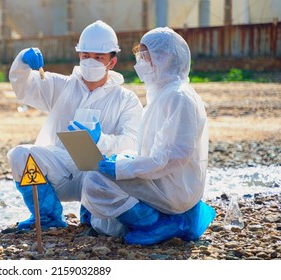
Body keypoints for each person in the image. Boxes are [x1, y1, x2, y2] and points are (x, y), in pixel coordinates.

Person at [80, 27, 216, 245]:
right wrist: (122, 159)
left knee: (95, 181)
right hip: (165, 179)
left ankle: (157, 224)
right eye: (140, 56)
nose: (140, 63)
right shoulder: (163, 94)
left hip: (175, 187)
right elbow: (152, 150)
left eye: (145, 56)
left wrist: (121, 168)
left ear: (165, 57)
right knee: (105, 219)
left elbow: (172, 157)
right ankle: (168, 220)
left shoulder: (178, 97)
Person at [7, 20, 143, 230]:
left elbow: (133, 143)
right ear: (79, 55)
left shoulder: (126, 100)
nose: (91, 62)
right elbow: (23, 87)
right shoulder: (61, 86)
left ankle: (91, 216)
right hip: (61, 168)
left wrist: (101, 141)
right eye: (85, 56)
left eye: (98, 58)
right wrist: (22, 61)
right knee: (20, 155)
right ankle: (46, 217)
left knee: (104, 223)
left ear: (112, 62)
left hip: (100, 175)